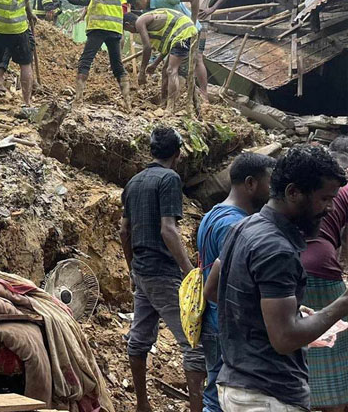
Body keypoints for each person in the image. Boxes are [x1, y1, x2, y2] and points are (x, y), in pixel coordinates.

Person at [205, 145, 348, 412]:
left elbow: (213, 289)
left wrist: (275, 312)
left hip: (235, 386)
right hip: (267, 395)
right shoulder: (277, 249)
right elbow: (284, 339)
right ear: (293, 192)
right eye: (324, 199)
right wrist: (342, 304)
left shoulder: (244, 227)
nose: (330, 209)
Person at [120, 126, 206, 412]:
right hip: (162, 272)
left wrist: (132, 268)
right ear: (178, 154)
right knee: (194, 344)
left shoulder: (133, 182)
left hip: (142, 271)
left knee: (139, 339)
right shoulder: (169, 179)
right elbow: (168, 230)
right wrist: (190, 271)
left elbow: (124, 231)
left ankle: (142, 404)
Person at [196, 152, 276, 412]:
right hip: (225, 324)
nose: (273, 191)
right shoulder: (236, 224)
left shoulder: (212, 215)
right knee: (219, 396)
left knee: (215, 390)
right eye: (270, 183)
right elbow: (223, 281)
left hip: (213, 321)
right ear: (251, 183)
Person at [46, 0, 131, 111]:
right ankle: (128, 104)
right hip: (114, 28)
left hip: (100, 26)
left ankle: (78, 101)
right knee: (117, 65)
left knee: (85, 61)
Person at [300, 142, 348, 412]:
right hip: (323, 269)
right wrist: (343, 265)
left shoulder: (306, 183)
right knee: (336, 347)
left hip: (289, 265)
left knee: (305, 340)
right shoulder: (343, 188)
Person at [169, 0, 234, 97]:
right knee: (181, 57)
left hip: (200, 23)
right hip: (184, 25)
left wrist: (212, 8)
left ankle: (204, 94)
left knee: (198, 57)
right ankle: (187, 90)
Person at [127, 0, 206, 99]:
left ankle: (203, 94)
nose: (136, 8)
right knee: (168, 69)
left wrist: (193, 22)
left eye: (136, 4)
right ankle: (166, 100)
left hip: (191, 30)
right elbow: (165, 44)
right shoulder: (147, 12)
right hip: (175, 37)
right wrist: (155, 63)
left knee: (196, 60)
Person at [124, 8, 197, 114]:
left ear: (128, 24)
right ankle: (164, 102)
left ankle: (170, 106)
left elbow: (147, 47)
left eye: (127, 30)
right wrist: (154, 64)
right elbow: (167, 47)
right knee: (165, 70)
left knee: (171, 70)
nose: (131, 32)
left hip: (183, 32)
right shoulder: (151, 26)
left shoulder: (140, 22)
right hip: (182, 33)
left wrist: (142, 71)